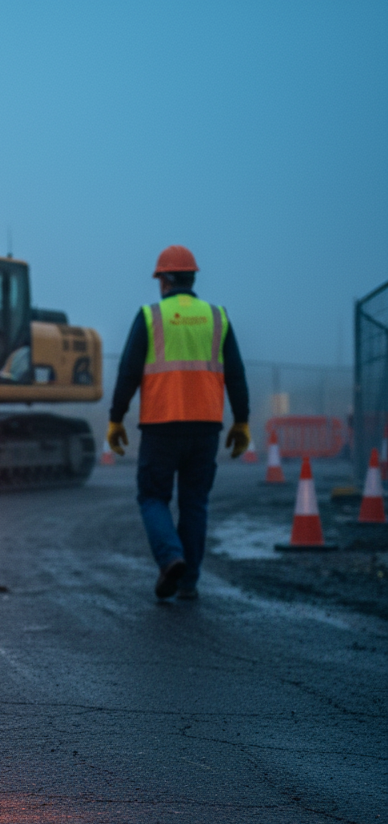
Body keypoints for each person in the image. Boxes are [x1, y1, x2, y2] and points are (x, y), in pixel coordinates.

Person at [107, 246, 250, 600]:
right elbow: (235, 374)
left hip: (161, 424)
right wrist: (242, 421)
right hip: (205, 427)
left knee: (153, 497)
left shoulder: (150, 316)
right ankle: (189, 582)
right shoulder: (217, 317)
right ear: (192, 277)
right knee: (195, 502)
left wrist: (116, 418)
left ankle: (171, 558)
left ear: (165, 279)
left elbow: (129, 372)